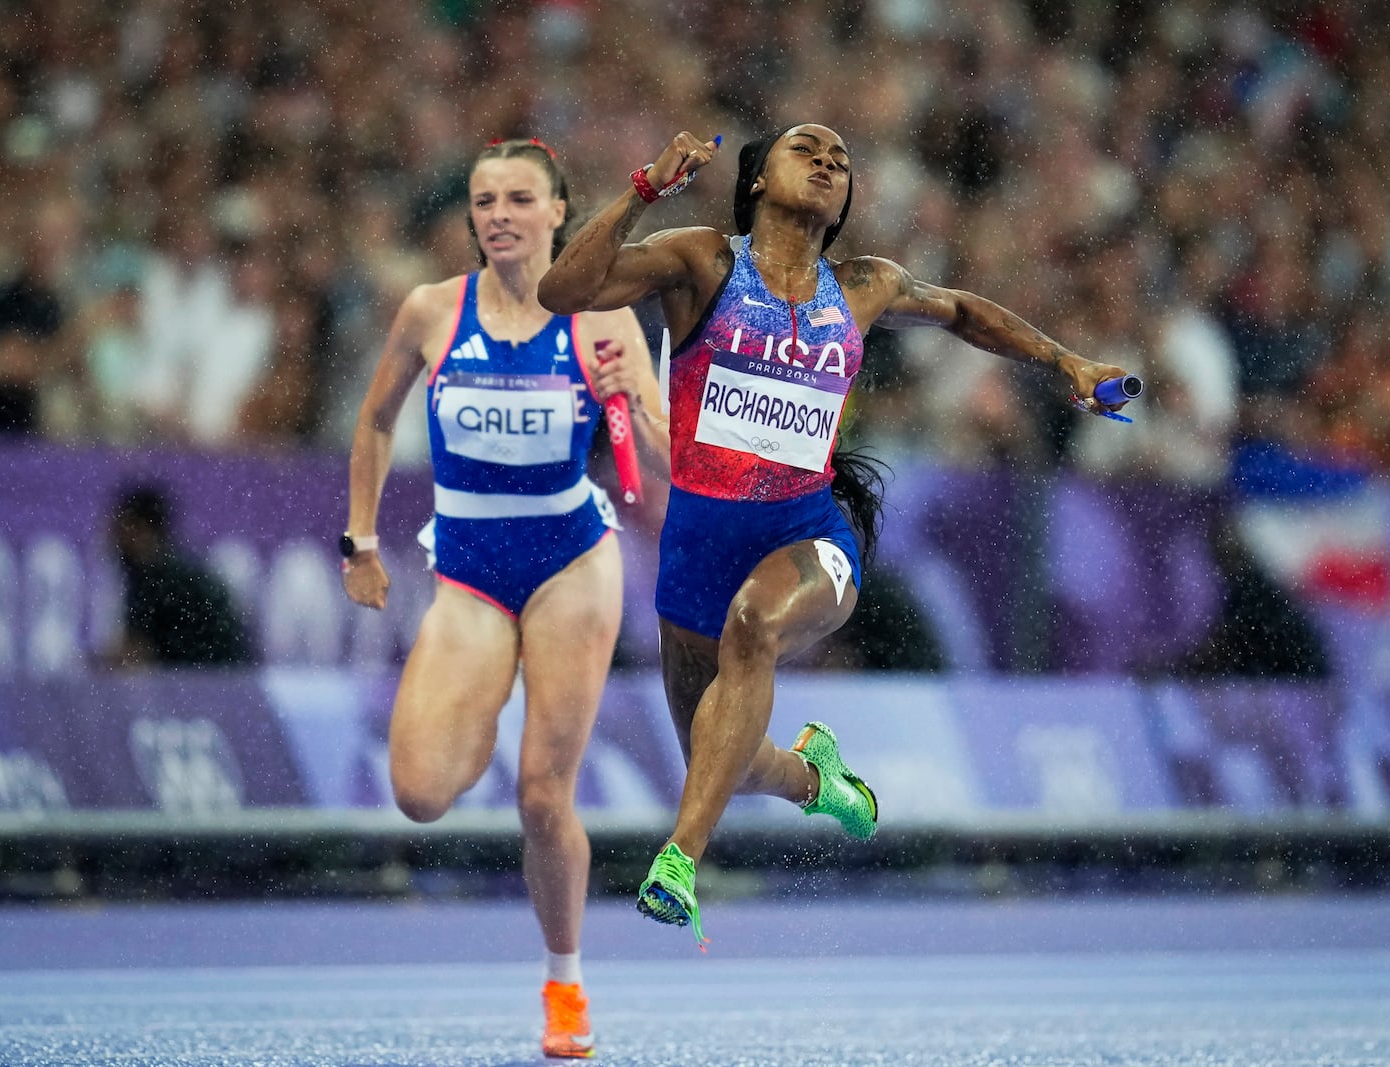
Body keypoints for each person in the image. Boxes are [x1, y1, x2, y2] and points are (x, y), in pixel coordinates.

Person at [538, 125, 1131, 942]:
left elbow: (962, 313)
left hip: (811, 535)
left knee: (756, 624)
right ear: (754, 183)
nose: (827, 161)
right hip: (696, 554)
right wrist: (645, 189)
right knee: (732, 763)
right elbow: (561, 292)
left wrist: (1067, 364)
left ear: (847, 199)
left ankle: (679, 859)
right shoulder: (703, 260)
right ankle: (817, 779)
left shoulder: (861, 287)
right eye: (806, 149)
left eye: (841, 160)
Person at [342, 138, 664, 1060]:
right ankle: (481, 703)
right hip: (472, 568)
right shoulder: (431, 311)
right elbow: (372, 421)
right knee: (418, 792)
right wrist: (359, 539)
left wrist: (631, 411)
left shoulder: (603, 321)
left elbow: (660, 483)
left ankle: (564, 983)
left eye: (520, 198)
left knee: (541, 797)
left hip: (571, 561)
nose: (499, 215)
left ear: (560, 212)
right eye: (485, 200)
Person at [108, 484, 252, 667]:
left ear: (142, 529)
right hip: (230, 680)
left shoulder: (152, 577)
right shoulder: (183, 570)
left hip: (208, 683)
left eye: (121, 528)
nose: (114, 538)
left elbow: (133, 656)